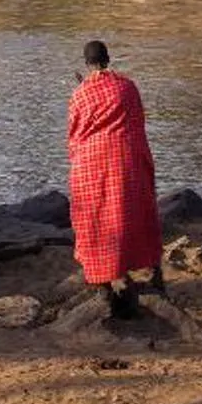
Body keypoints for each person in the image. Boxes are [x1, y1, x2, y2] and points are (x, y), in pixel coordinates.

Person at [66, 38, 163, 313]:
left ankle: (106, 280)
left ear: (87, 64)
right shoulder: (127, 86)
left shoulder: (80, 94)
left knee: (96, 218)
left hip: (91, 163)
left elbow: (75, 136)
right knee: (136, 213)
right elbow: (137, 122)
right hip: (126, 158)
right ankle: (152, 271)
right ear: (108, 60)